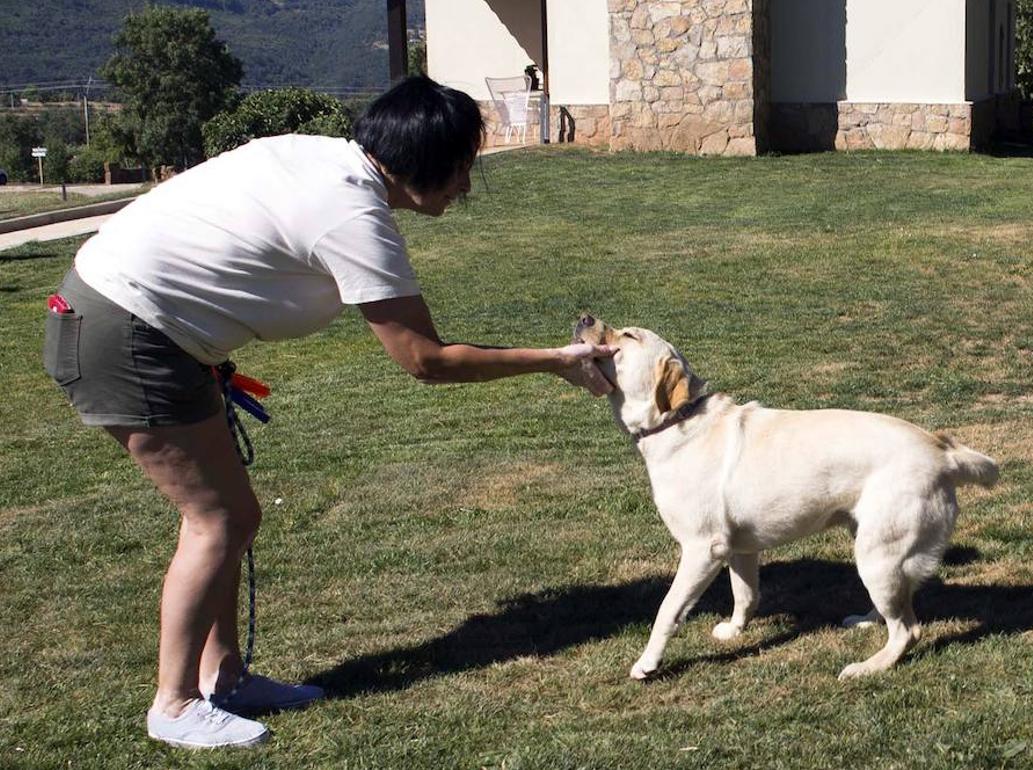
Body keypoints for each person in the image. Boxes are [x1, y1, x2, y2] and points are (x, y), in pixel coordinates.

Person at [41, 75, 615, 750]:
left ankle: (223, 678)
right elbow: (424, 359)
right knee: (220, 517)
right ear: (429, 165)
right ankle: (173, 704)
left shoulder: (323, 158)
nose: (465, 188)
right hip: (126, 335)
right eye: (463, 170)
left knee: (225, 515)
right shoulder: (351, 214)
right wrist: (553, 359)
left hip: (146, 329)